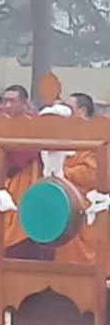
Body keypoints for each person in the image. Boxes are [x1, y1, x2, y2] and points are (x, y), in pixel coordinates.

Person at [0, 85, 44, 259]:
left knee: (22, 233)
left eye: (12, 101)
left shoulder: (35, 127)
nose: (6, 105)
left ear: (24, 103)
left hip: (24, 189)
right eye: (5, 100)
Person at [57, 94, 97, 264]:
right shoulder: (67, 135)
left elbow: (93, 174)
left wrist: (62, 172)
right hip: (64, 205)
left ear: (82, 111)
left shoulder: (98, 136)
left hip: (88, 206)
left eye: (70, 109)